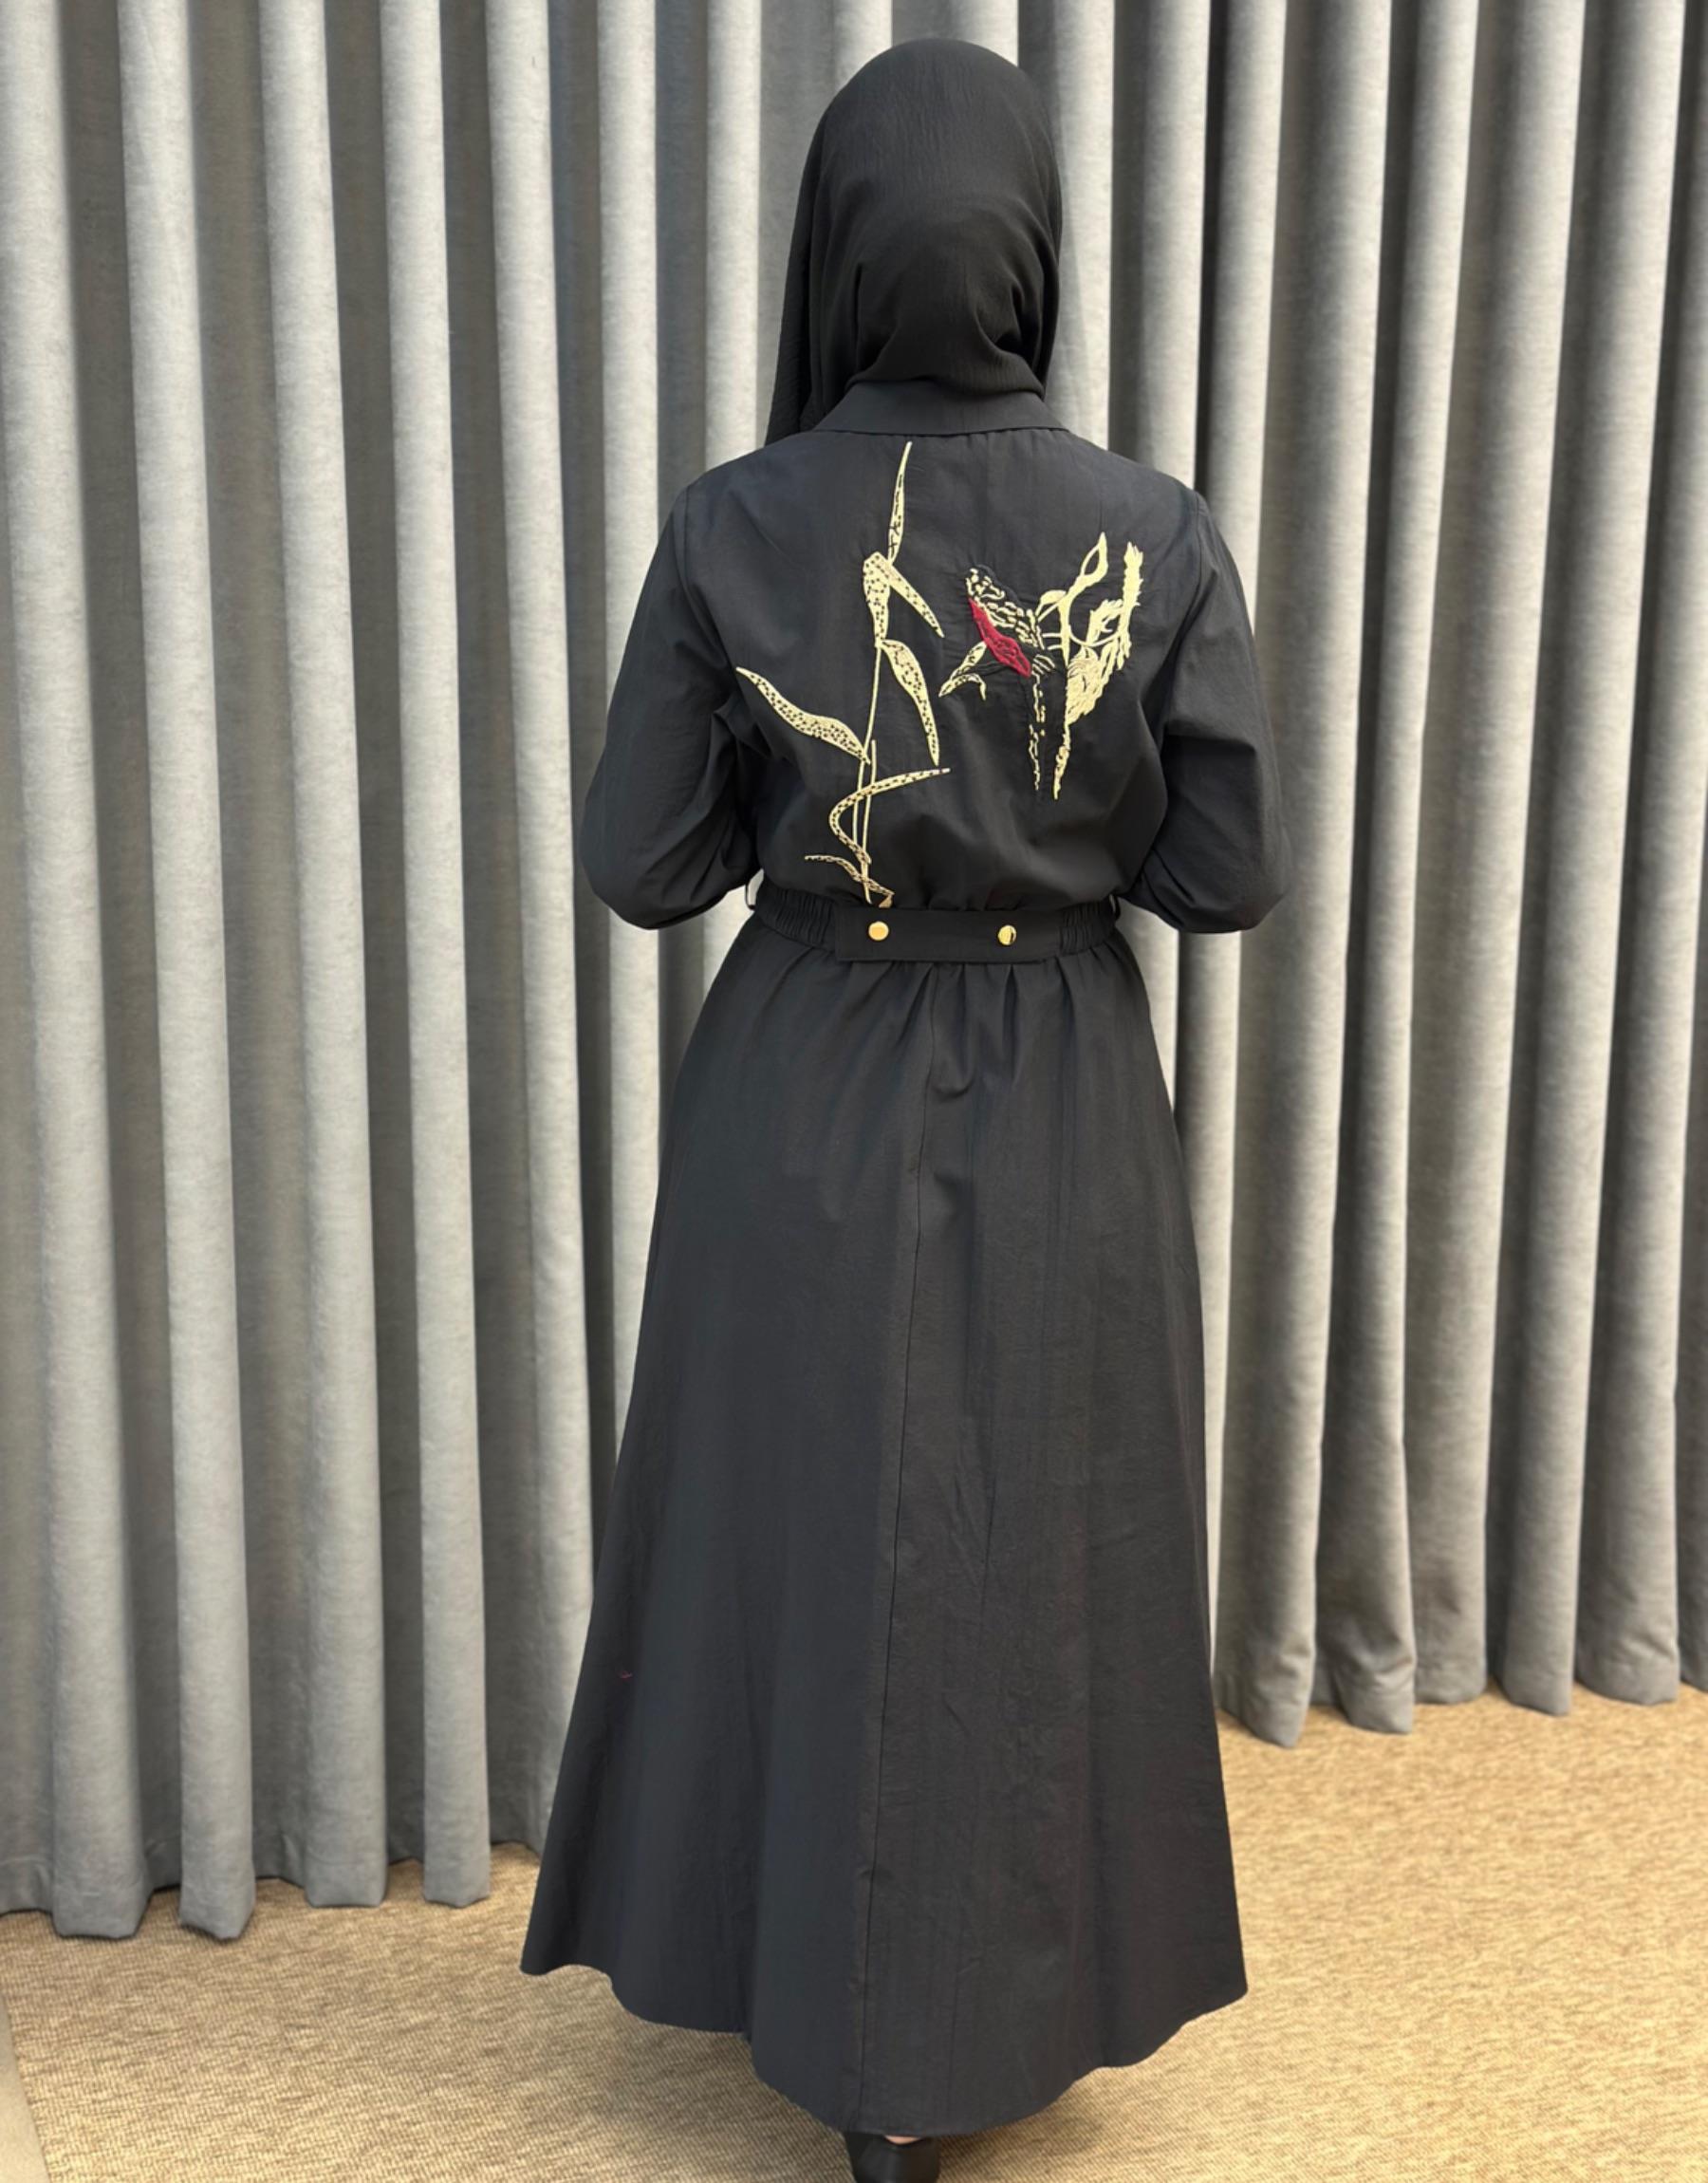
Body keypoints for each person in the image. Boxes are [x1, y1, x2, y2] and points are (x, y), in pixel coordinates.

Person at [520, 36, 1293, 2183]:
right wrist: (1052, 827)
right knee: (1032, 1539)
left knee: (804, 1529)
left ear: (835, 250)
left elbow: (644, 863)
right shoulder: (1150, 530)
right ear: (1034, 247)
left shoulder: (732, 521)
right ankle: (992, 2007)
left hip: (801, 1080)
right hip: (1059, 1083)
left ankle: (823, 2011)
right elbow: (1226, 874)